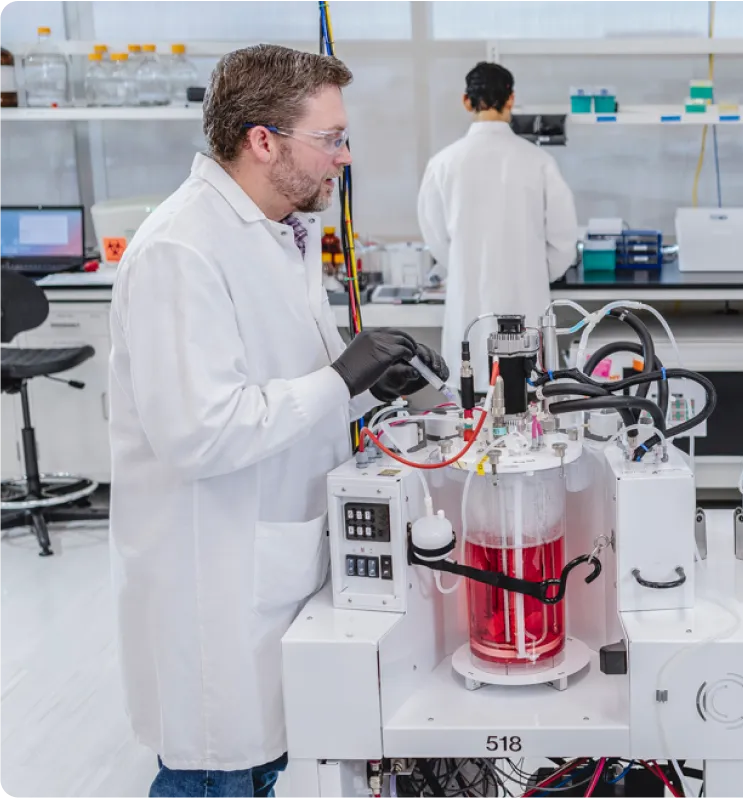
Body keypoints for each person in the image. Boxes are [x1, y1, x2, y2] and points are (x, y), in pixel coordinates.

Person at [108, 44, 446, 797]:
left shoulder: (274, 230)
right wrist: (338, 378)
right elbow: (203, 433)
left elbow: (287, 387)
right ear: (263, 140)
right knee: (218, 770)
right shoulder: (181, 250)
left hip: (274, 558)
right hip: (215, 579)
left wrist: (366, 389)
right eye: (330, 139)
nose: (344, 157)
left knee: (260, 762)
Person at [417, 61, 578, 380]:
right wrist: (531, 272)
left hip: (468, 310)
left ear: (466, 101)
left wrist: (468, 265)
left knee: (469, 409)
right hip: (528, 308)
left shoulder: (443, 164)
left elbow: (436, 239)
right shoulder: (539, 162)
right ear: (511, 99)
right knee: (531, 410)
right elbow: (563, 243)